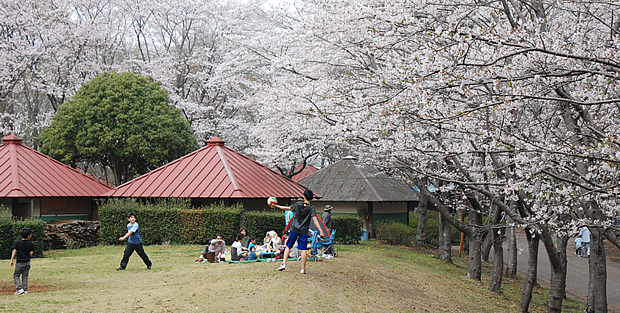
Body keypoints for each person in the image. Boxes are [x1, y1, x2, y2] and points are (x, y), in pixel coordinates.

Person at [270, 189, 325, 274]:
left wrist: (277, 206)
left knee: (288, 246)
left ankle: (283, 264)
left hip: (295, 228)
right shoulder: (311, 209)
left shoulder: (298, 205)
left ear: (304, 196)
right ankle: (303, 269)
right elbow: (315, 221)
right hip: (304, 230)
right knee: (303, 249)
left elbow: (287, 208)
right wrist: (321, 231)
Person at [10, 227, 34, 295]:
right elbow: (31, 253)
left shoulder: (18, 243)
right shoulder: (30, 243)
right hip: (27, 262)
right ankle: (25, 290)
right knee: (25, 276)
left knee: (16, 275)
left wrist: (12, 260)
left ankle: (19, 289)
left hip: (20, 262)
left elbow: (14, 251)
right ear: (29, 236)